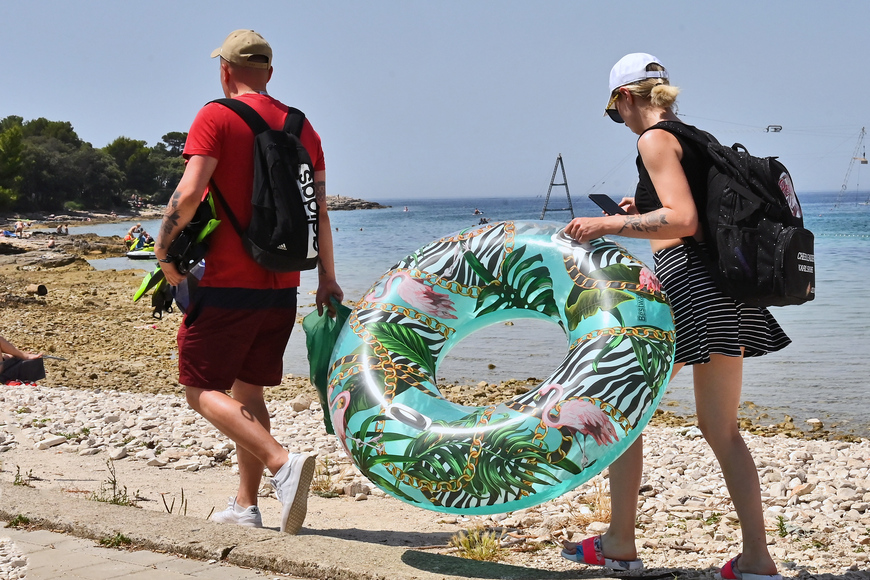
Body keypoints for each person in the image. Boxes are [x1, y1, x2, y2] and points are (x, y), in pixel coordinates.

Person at [561, 54, 786, 580]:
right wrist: (637, 210)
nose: (622, 123)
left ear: (624, 100)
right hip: (729, 288)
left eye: (617, 113)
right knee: (721, 428)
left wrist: (608, 224)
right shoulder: (695, 136)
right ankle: (757, 559)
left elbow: (681, 221)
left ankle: (619, 541)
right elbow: (696, 214)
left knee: (623, 411)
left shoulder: (654, 139)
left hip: (690, 287)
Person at [154, 29, 343, 535]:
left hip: (227, 284)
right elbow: (318, 210)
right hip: (282, 287)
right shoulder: (304, 128)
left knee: (199, 388)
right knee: (248, 391)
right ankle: (246, 505)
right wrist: (327, 277)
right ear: (270, 73)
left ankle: (282, 463)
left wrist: (163, 249)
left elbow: (191, 191)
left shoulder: (216, 115)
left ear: (225, 70)